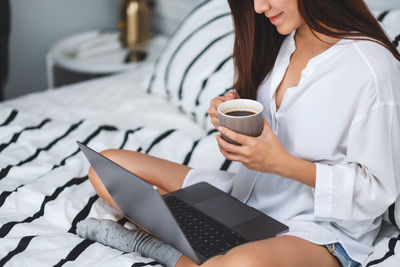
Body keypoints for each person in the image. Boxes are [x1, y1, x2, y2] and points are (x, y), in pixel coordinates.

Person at [76, 0, 400, 266]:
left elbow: (378, 191)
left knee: (238, 265)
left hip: (318, 230)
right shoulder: (286, 38)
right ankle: (199, 237)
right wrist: (229, 108)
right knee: (108, 169)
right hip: (244, 202)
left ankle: (163, 249)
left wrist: (280, 164)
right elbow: (280, 115)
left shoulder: (371, 69)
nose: (259, 7)